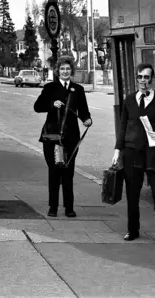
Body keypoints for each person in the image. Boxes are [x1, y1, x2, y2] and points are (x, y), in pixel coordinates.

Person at [111, 63, 155, 246]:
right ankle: (132, 230)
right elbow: (123, 127)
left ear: (152, 79)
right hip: (132, 153)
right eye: (140, 77)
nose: (143, 81)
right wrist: (117, 151)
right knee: (132, 195)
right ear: (137, 79)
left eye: (146, 77)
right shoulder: (129, 100)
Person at [34, 56, 92, 218]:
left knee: (68, 172)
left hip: (71, 137)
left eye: (68, 69)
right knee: (54, 171)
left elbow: (84, 111)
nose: (65, 72)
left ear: (71, 71)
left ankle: (69, 207)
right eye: (62, 69)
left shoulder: (78, 90)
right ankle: (53, 207)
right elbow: (37, 107)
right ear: (57, 71)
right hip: (52, 136)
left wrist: (87, 119)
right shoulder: (50, 88)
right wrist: (52, 104)